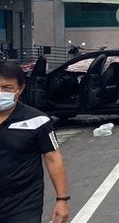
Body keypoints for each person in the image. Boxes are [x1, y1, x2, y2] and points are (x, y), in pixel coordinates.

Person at [0, 61, 70, 223]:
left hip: (23, 206)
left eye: (7, 88)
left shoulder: (38, 121)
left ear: (20, 89)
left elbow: (54, 159)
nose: (0, 92)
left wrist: (62, 200)